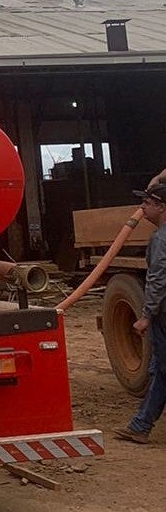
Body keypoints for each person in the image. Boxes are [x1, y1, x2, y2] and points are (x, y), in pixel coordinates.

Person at [115, 180, 166, 444]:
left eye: (147, 203)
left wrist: (146, 315)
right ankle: (141, 424)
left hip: (163, 314)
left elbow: (158, 278)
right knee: (159, 368)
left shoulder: (161, 239)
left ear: (161, 207)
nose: (142, 207)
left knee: (163, 369)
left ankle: (141, 425)